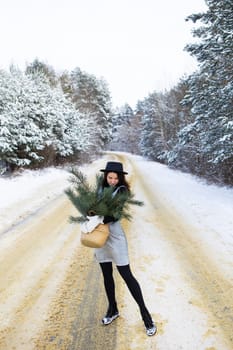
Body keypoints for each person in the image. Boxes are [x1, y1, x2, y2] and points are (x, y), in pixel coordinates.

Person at [95, 161, 157, 336]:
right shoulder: (99, 189)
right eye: (110, 177)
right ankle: (112, 309)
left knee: (127, 276)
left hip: (115, 238)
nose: (113, 180)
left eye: (116, 178)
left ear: (120, 178)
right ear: (105, 177)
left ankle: (146, 316)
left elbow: (114, 214)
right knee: (106, 274)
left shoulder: (122, 191)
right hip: (100, 237)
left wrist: (96, 216)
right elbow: (92, 207)